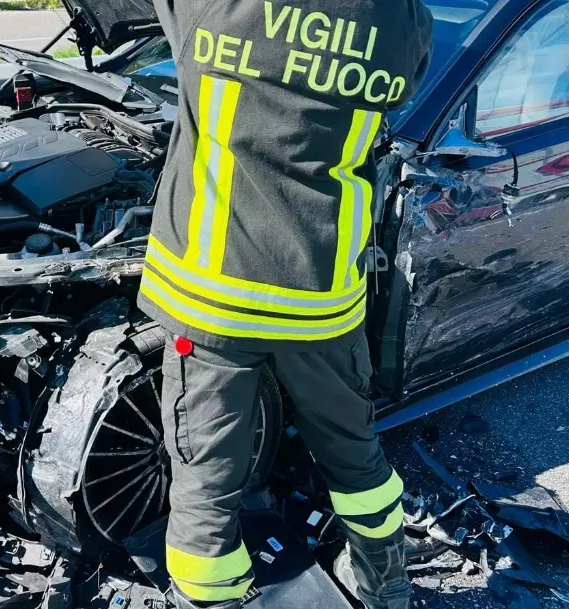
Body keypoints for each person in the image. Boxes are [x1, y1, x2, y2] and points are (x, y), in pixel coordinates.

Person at [137, 1, 433, 608]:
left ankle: (211, 600)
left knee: (206, 486)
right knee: (357, 462)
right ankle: (389, 590)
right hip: (321, 297)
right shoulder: (403, 23)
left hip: (214, 299)